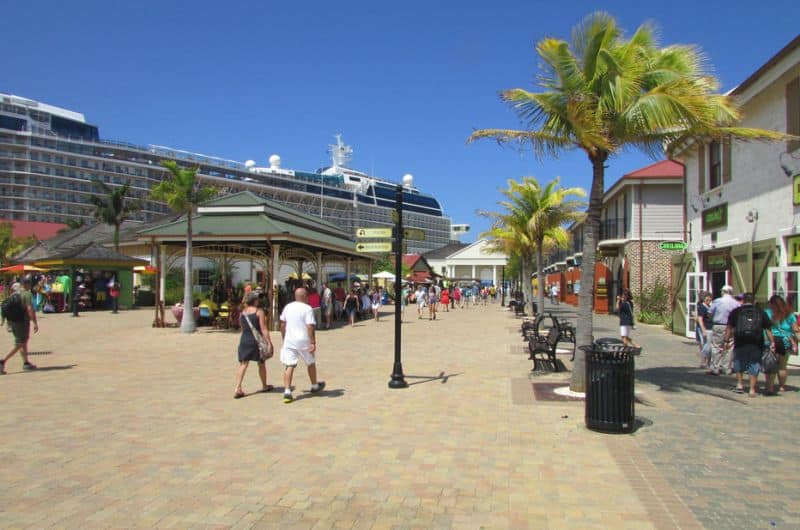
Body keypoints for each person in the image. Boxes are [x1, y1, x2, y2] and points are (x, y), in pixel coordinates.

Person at [279, 287, 325, 403]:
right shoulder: (307, 308)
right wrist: (313, 341)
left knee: (289, 365)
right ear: (304, 296)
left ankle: (287, 391)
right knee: (310, 362)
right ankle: (314, 385)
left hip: (290, 340)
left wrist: (284, 337)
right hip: (303, 340)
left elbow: (283, 323)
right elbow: (310, 326)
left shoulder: (288, 307)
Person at [724, 292, 774, 397]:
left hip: (740, 341)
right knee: (754, 363)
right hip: (756, 341)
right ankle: (752, 389)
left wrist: (726, 341)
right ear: (754, 301)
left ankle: (740, 384)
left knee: (738, 362)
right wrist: (772, 342)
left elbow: (729, 327)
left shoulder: (736, 311)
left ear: (743, 300)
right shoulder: (761, 312)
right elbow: (768, 329)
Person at [234, 292, 274, 399]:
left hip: (244, 339)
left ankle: (238, 388)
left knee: (243, 364)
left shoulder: (242, 313)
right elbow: (263, 328)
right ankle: (264, 385)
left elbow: (241, 327)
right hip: (256, 341)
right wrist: (269, 342)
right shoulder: (259, 311)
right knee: (261, 363)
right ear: (255, 300)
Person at [0, 279, 39, 374]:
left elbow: (5, 306)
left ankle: (26, 363)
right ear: (27, 284)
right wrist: (35, 322)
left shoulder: (14, 293)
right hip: (22, 321)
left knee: (23, 341)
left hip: (13, 321)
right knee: (20, 343)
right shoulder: (27, 294)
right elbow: (30, 309)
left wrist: (5, 321)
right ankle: (3, 361)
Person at [764, 294, 798, 393]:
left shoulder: (768, 313)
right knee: (783, 366)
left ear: (771, 304)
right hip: (785, 341)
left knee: (771, 364)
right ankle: (782, 386)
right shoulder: (789, 314)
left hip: (772, 341)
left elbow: (765, 328)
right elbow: (795, 329)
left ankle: (769, 387)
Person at [707, 285, 740, 376]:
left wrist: (713, 318)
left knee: (716, 346)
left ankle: (715, 368)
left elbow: (709, 313)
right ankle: (726, 368)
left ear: (723, 292)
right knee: (729, 347)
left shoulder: (717, 301)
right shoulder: (735, 303)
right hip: (731, 326)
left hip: (718, 325)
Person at [695, 292, 713, 368]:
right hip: (705, 328)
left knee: (709, 346)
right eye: (707, 297)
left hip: (710, 328)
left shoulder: (709, 306)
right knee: (706, 345)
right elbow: (700, 319)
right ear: (703, 298)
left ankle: (708, 362)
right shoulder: (702, 307)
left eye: (710, 297)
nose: (709, 299)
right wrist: (703, 330)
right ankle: (703, 362)